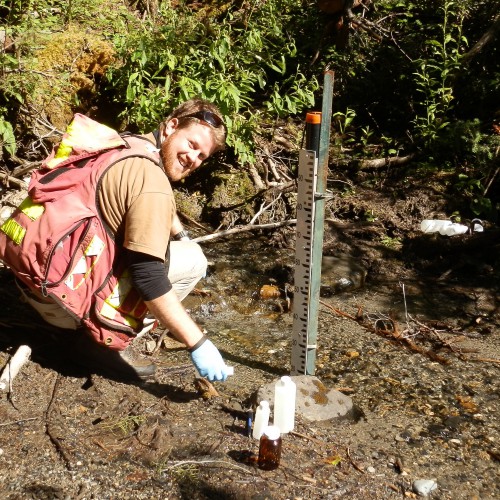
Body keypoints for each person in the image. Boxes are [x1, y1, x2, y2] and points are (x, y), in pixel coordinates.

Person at [0, 98, 230, 382]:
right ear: (172, 127)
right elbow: (149, 278)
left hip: (29, 275)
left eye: (202, 156)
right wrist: (198, 343)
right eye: (192, 145)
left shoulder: (126, 143)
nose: (193, 158)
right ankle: (97, 343)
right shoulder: (153, 184)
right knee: (193, 260)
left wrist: (181, 235)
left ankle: (79, 321)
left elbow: (157, 205)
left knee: (180, 247)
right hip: (57, 305)